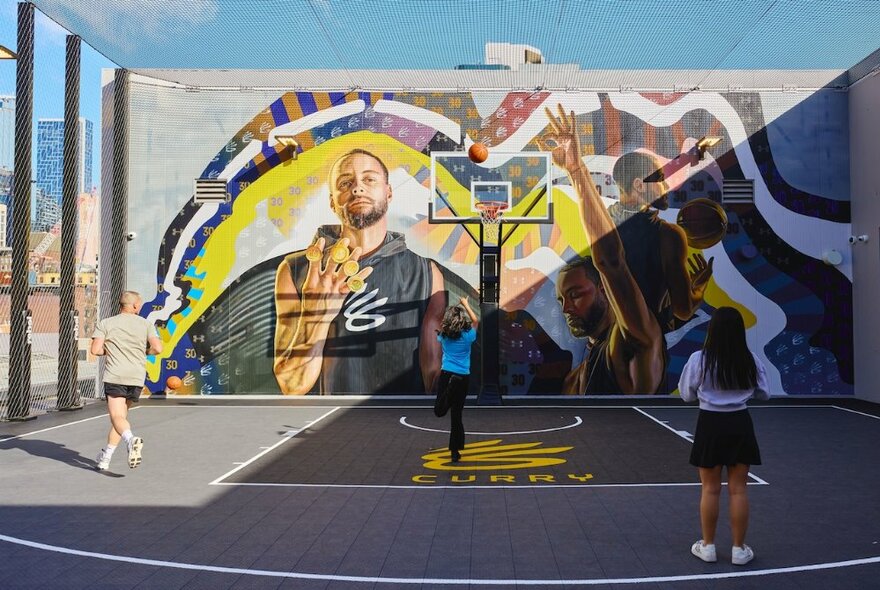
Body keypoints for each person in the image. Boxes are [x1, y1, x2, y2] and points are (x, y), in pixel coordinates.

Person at [273, 149, 447, 395]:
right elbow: (292, 385)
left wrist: (461, 351)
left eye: (369, 179)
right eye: (345, 182)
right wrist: (318, 316)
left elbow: (434, 380)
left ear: (388, 193)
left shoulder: (426, 273)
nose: (357, 188)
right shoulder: (295, 270)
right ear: (333, 201)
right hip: (327, 427)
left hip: (402, 423)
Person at [540, 105, 665, 394]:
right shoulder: (577, 376)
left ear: (604, 290)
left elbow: (610, 261)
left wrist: (576, 170)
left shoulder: (634, 341)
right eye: (562, 300)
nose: (567, 307)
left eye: (575, 295)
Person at [678, 306, 770, 566]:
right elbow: (764, 393)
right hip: (740, 423)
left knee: (710, 488)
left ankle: (707, 546)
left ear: (712, 330)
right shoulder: (749, 359)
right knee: (739, 490)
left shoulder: (699, 359)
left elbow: (686, 394)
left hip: (710, 424)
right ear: (740, 331)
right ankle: (739, 550)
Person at [608, 151, 714, 333]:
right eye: (660, 178)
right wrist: (699, 287)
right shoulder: (668, 235)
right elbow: (683, 310)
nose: (666, 186)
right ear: (639, 185)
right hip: (649, 344)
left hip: (612, 343)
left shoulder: (602, 226)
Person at [91, 291, 163, 471]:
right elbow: (158, 348)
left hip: (115, 375)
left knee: (117, 417)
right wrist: (145, 352)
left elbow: (96, 350)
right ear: (136, 306)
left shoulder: (106, 323)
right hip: (136, 376)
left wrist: (110, 351)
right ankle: (105, 458)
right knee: (120, 418)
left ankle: (131, 440)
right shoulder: (146, 324)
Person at [435, 297, 478, 462]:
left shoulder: (444, 336)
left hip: (447, 375)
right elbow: (475, 320)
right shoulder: (469, 336)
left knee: (439, 411)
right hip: (463, 376)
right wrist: (466, 304)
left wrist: (452, 309)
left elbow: (443, 324)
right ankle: (455, 451)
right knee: (456, 415)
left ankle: (450, 388)